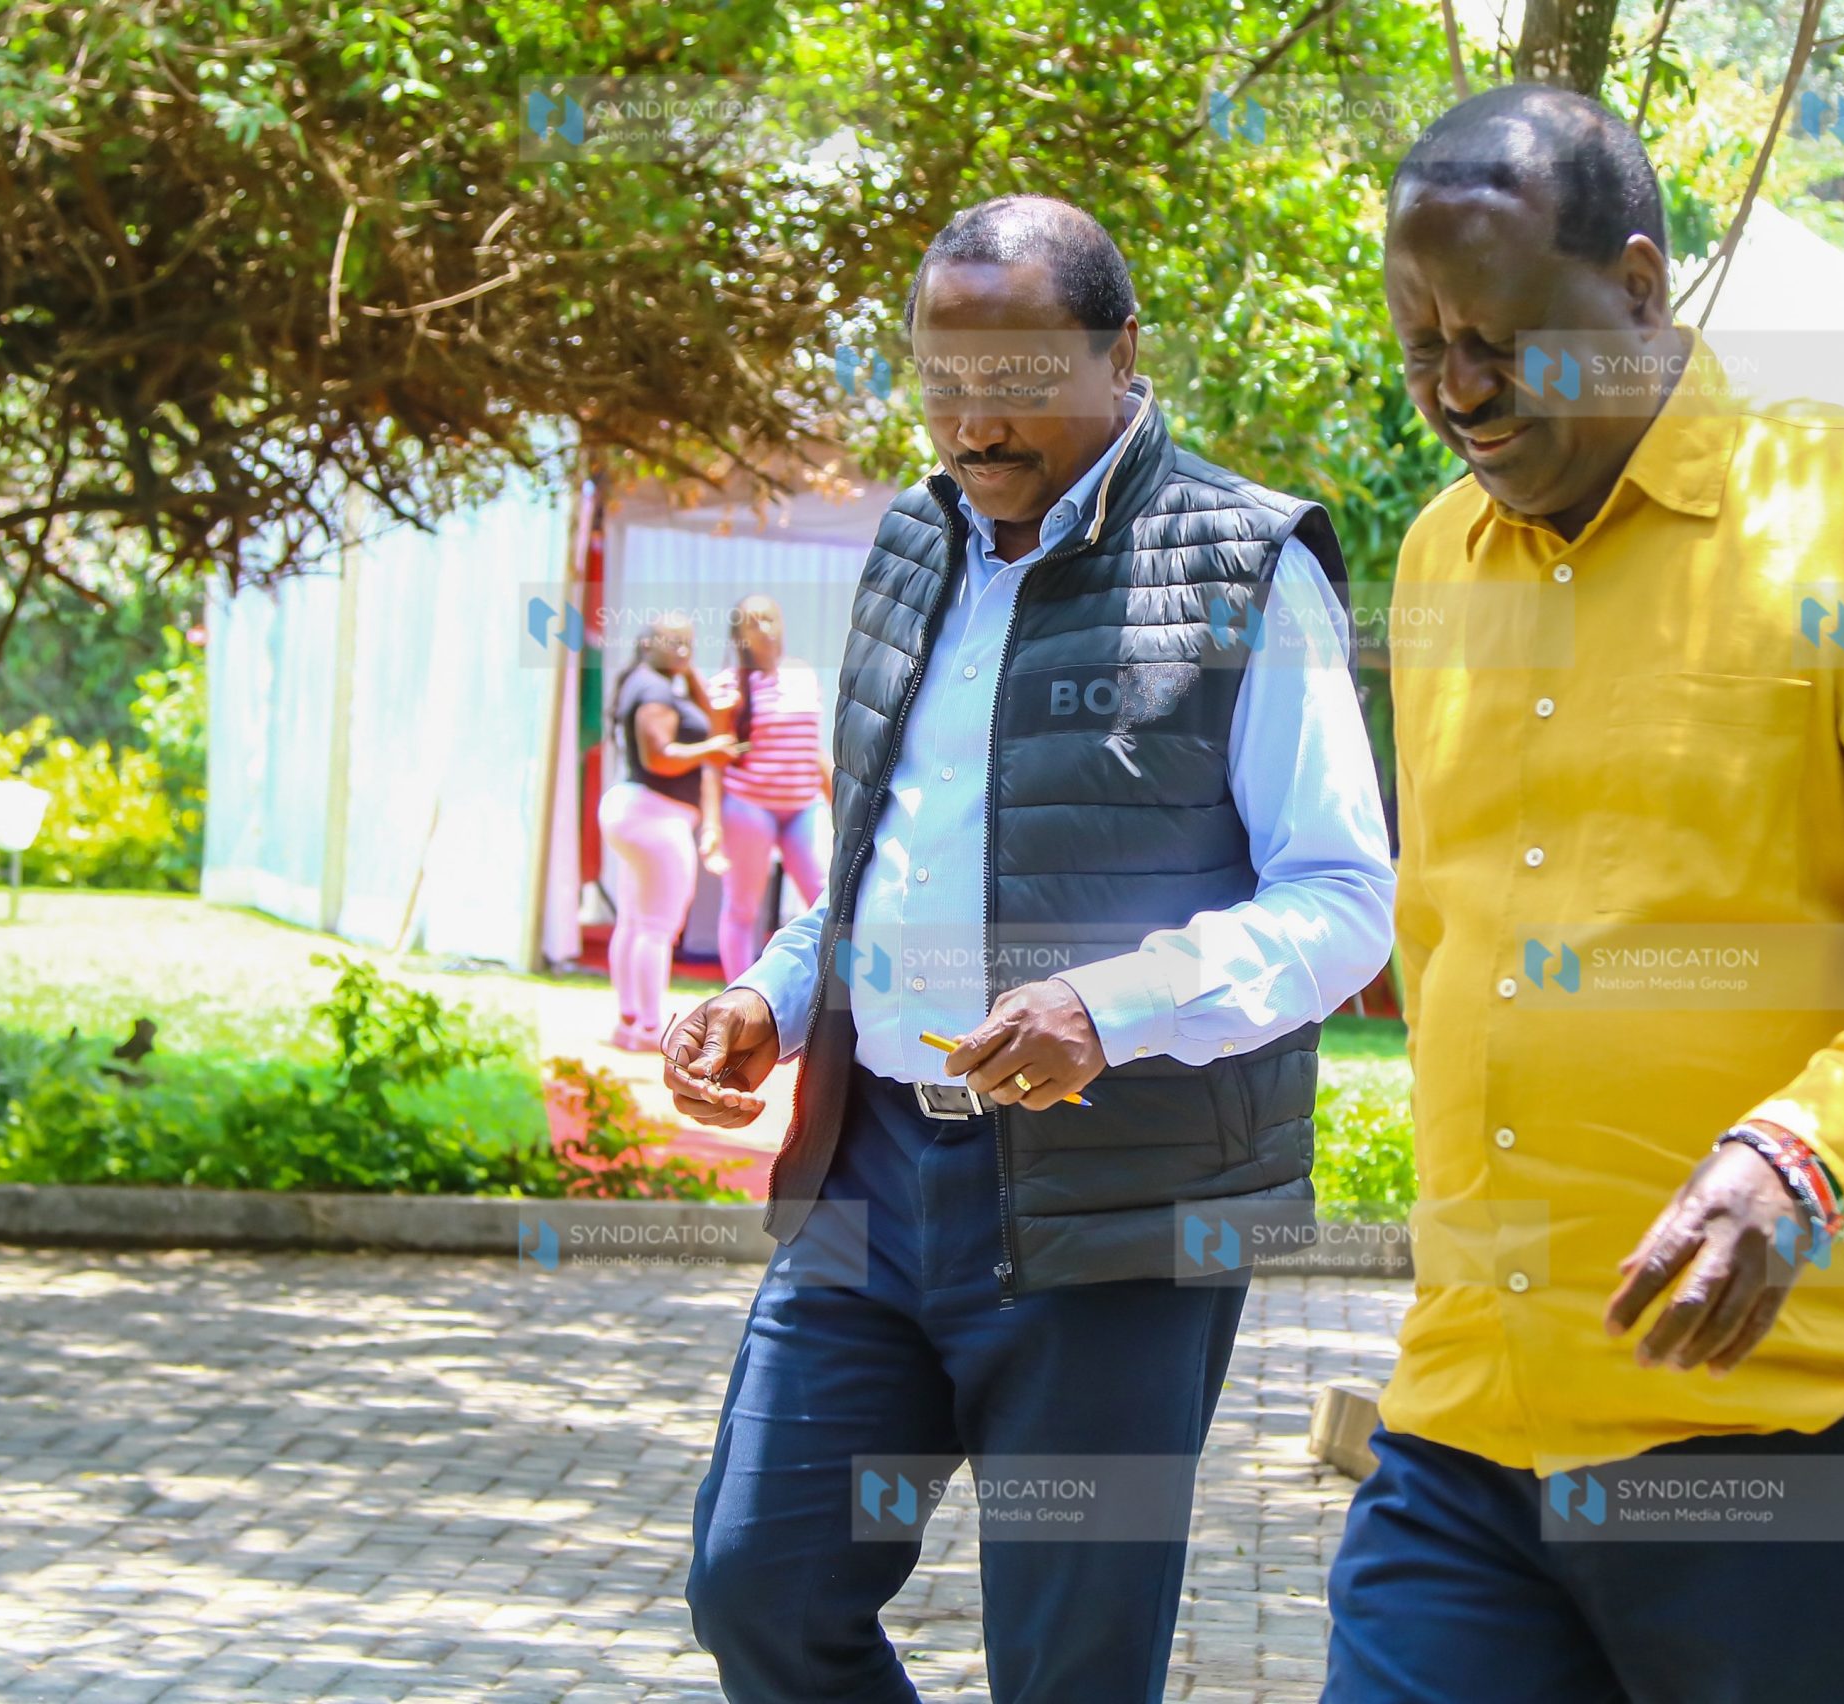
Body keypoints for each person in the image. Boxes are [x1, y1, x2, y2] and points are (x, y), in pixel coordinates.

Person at [1323, 88, 1844, 1704]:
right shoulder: (1434, 563)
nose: (1459, 391)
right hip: (1472, 1423)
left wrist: (1802, 1152)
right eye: (1423, 342)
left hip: (1804, 1423)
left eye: (1505, 338)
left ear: (1636, 285)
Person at [661, 195, 1394, 1703]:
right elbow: (881, 853)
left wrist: (1105, 1009)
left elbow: (1341, 900)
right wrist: (776, 992)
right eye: (942, 380)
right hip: (872, 1185)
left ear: (1122, 353)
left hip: (1118, 1218)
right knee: (758, 1589)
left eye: (1016, 382)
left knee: (1068, 1670)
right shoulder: (914, 547)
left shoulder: (1249, 568)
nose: (973, 424)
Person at [597, 614, 734, 1052]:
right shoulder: (654, 691)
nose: (681, 650)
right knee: (657, 928)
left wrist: (687, 669)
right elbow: (660, 757)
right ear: (647, 642)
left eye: (688, 643)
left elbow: (712, 716)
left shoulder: (652, 681)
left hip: (639, 812)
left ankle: (630, 1021)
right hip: (655, 816)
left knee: (636, 922)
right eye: (672, 642)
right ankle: (651, 1028)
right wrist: (710, 750)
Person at [705, 594, 832, 980]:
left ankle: (838, 998)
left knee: (826, 898)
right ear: (738, 634)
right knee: (743, 906)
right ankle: (739, 998)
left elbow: (812, 748)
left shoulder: (802, 675)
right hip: (749, 806)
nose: (765, 628)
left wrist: (841, 803)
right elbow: (714, 762)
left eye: (770, 618)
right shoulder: (727, 687)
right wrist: (711, 827)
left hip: (801, 806)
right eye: (753, 621)